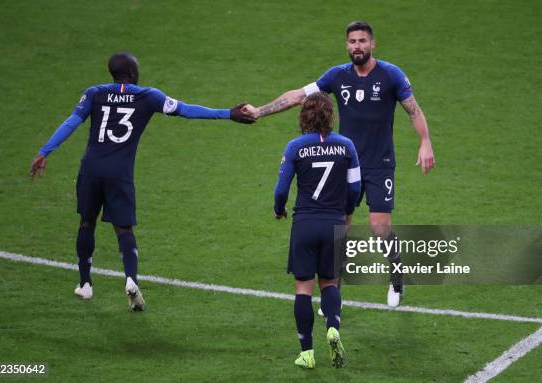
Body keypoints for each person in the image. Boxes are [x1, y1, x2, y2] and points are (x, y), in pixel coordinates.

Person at [29, 52, 255, 311]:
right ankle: (131, 280)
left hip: (90, 170)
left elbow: (71, 122)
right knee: (124, 230)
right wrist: (228, 113)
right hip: (119, 174)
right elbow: (186, 110)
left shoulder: (94, 93)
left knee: (86, 222)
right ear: (133, 73)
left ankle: (85, 284)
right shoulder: (148, 96)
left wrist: (45, 151)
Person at [245, 21, 434, 308]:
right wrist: (260, 111)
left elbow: (414, 110)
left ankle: (397, 275)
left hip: (379, 163)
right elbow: (298, 96)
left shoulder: (391, 75)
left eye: (362, 41)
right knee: (340, 229)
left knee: (379, 227)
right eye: (352, 42)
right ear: (347, 45)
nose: (356, 46)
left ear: (372, 44)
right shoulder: (337, 76)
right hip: (344, 164)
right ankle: (334, 295)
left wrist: (425, 141)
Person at [274, 92, 361, 369]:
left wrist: (279, 209)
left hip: (305, 224)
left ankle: (307, 352)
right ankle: (333, 327)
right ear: (330, 115)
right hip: (333, 222)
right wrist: (346, 210)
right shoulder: (347, 146)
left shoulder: (295, 147)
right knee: (330, 282)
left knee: (303, 288)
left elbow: (281, 189)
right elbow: (355, 188)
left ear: (304, 116)